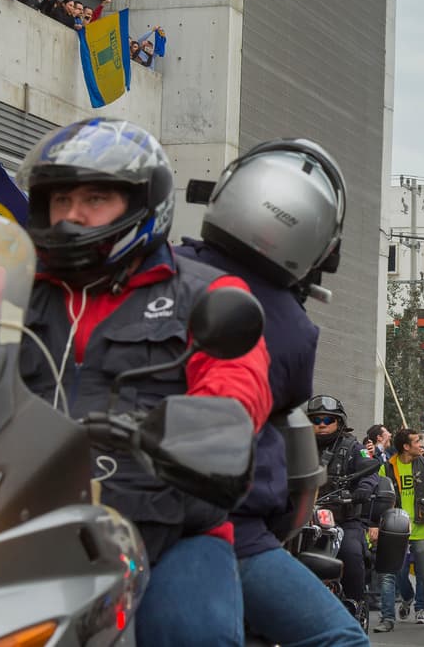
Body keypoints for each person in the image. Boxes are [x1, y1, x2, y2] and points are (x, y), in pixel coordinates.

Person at [14, 117, 273, 646]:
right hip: (17, 519)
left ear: (140, 204)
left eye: (93, 199)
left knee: (191, 634)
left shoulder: (204, 293)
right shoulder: (12, 291)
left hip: (168, 526)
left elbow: (237, 382)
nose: (70, 216)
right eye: (60, 201)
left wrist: (212, 428)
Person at [175, 136, 366, 646]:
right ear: (317, 243)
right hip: (227, 527)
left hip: (102, 497)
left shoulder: (159, 271)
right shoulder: (293, 330)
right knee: (343, 639)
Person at [309, 395, 379, 625]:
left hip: (343, 520)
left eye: (327, 419)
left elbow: (370, 471)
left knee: (351, 552)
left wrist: (362, 490)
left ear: (338, 422)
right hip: (303, 520)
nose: (321, 424)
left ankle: (354, 604)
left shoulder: (353, 447)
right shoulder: (296, 447)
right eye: (316, 419)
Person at [377, 428, 424, 631]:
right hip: (395, 530)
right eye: (416, 442)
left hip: (421, 529)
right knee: (391, 574)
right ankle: (388, 618)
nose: (421, 445)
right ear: (406, 447)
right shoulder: (386, 468)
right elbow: (382, 500)